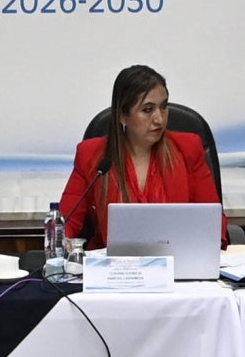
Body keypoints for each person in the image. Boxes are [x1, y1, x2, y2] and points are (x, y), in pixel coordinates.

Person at [56, 64, 221, 248]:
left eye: (163, 107)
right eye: (148, 110)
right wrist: (62, 248)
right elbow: (65, 224)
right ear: (122, 116)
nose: (159, 118)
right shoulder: (93, 156)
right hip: (114, 270)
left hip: (178, 267)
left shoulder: (188, 148)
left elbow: (212, 222)